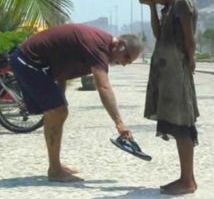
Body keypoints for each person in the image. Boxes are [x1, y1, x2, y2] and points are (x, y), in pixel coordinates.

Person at [9, 23, 143, 182]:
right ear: (119, 44)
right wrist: (119, 123)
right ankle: (55, 170)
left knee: (59, 110)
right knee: (57, 111)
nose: (125, 63)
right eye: (127, 57)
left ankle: (55, 165)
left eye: (130, 61)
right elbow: (104, 87)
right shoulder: (99, 46)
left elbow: (62, 68)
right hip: (27, 60)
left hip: (37, 64)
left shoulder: (100, 45)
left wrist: (61, 97)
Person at [135, 0, 199, 195]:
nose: (150, 1)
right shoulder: (168, 6)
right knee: (176, 124)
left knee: (182, 126)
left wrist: (190, 61)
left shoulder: (181, 3)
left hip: (177, 73)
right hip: (168, 74)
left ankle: (188, 181)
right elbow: (159, 34)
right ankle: (185, 178)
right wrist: (152, 7)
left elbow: (189, 40)